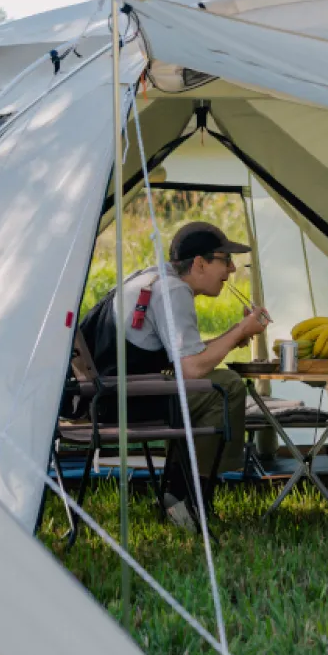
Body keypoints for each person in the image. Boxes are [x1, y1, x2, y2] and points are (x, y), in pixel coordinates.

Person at [78, 221, 269, 529]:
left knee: (204, 388)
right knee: (227, 387)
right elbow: (191, 369)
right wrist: (239, 332)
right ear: (199, 263)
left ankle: (177, 495)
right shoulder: (174, 291)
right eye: (225, 259)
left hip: (103, 397)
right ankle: (192, 498)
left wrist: (234, 334)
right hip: (123, 403)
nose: (232, 269)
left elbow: (181, 354)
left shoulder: (150, 278)